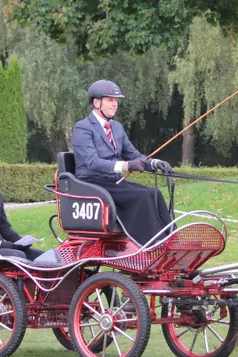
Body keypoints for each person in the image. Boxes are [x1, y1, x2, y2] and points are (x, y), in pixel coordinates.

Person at [71, 79, 174, 245]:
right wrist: (126, 166)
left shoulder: (117, 128)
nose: (115, 104)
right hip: (92, 183)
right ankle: (151, 245)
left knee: (154, 193)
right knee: (142, 197)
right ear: (96, 102)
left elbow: (132, 154)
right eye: (110, 100)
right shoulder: (82, 128)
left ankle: (171, 241)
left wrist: (154, 163)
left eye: (116, 101)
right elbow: (92, 162)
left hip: (114, 182)